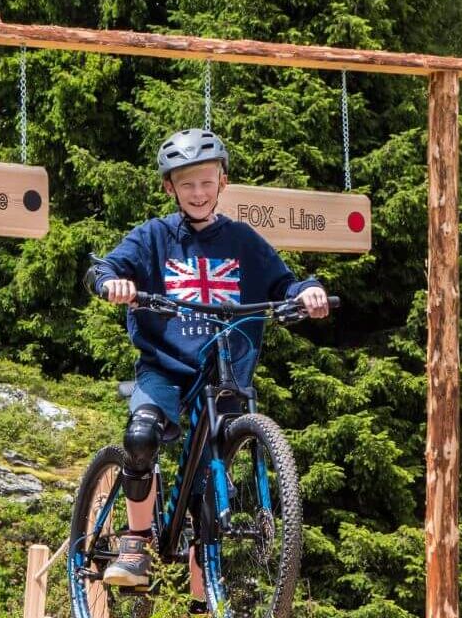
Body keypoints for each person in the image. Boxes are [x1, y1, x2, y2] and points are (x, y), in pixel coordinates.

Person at [86, 128, 331, 614]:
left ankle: (202, 607)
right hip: (166, 367)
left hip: (224, 375)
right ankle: (135, 543)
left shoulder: (243, 241)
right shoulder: (153, 237)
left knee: (206, 504)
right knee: (140, 437)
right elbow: (107, 266)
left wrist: (307, 293)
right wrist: (112, 282)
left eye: (205, 182)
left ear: (222, 181)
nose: (197, 193)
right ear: (170, 189)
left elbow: (285, 282)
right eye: (186, 184)